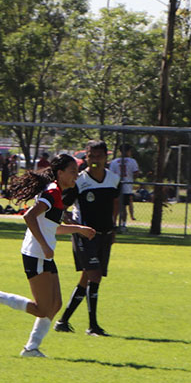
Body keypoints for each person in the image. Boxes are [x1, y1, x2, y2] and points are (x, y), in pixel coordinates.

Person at [0, 153, 96, 357]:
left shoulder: (56, 193)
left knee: (54, 305)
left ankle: (31, 348)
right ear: (60, 173)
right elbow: (29, 217)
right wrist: (44, 245)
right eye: (72, 171)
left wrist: (78, 228)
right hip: (36, 253)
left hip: (43, 254)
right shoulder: (53, 191)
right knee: (42, 309)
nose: (76, 175)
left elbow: (51, 228)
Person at [55, 140, 120, 336]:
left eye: (99, 156)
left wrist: (113, 227)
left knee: (87, 278)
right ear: (87, 157)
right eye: (91, 156)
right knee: (95, 275)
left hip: (105, 235)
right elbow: (62, 205)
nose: (95, 160)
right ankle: (93, 326)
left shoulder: (113, 179)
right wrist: (73, 226)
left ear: (106, 157)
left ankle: (63, 321)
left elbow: (115, 203)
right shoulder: (80, 181)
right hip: (85, 236)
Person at [110, 144, 140, 229]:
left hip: (116, 185)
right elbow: (136, 173)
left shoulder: (114, 161)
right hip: (127, 186)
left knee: (115, 206)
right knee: (123, 207)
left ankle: (114, 223)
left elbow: (111, 174)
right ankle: (123, 224)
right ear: (127, 151)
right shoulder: (132, 161)